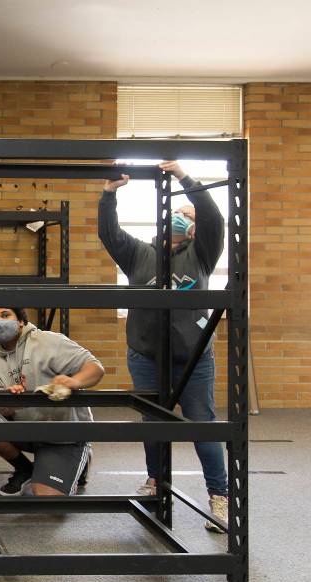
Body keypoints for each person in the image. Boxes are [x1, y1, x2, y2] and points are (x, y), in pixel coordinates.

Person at [99, 161, 228, 532]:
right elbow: (108, 233)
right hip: (146, 356)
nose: (183, 216)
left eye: (189, 213)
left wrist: (186, 179)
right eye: (179, 211)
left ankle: (219, 497)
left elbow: (213, 216)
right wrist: (110, 194)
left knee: (203, 425)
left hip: (194, 358)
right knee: (152, 422)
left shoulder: (203, 252)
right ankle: (155, 483)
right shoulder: (138, 254)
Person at [0, 307, 104, 496]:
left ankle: (79, 463)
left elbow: (95, 368)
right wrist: (11, 402)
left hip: (63, 437)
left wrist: (74, 381)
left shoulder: (48, 341)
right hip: (28, 430)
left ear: (20, 320)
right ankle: (25, 470)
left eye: (5, 315)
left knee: (47, 498)